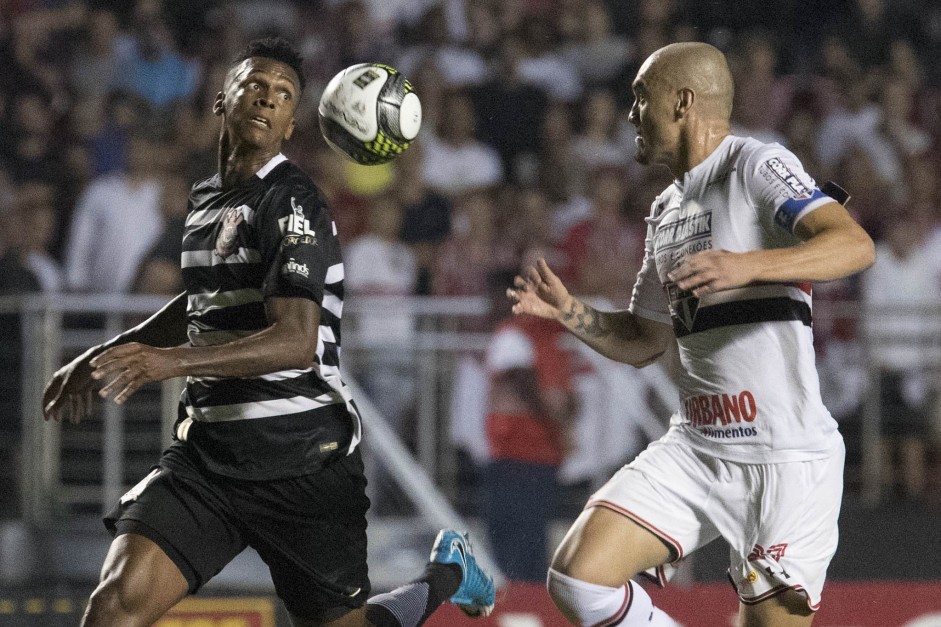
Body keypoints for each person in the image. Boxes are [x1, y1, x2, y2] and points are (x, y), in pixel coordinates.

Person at [42, 38, 494, 627]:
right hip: (208, 456)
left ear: (288, 125)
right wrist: (106, 351)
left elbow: (294, 340)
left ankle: (449, 573)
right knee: (112, 611)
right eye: (256, 84)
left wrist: (167, 363)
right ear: (220, 100)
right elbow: (207, 296)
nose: (268, 99)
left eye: (284, 95)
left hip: (302, 460)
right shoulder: (207, 199)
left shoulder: (293, 202)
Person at [508, 42, 875, 627]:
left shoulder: (755, 164)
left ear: (681, 102)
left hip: (785, 462)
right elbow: (644, 339)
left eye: (640, 98)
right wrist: (572, 315)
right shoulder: (666, 208)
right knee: (577, 579)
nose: (631, 114)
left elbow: (854, 244)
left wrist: (746, 265)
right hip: (700, 448)